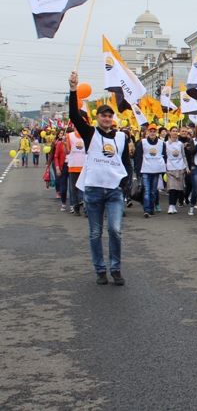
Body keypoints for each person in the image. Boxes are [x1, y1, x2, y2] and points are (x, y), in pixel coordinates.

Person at [68, 72, 132, 285]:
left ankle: (116, 269)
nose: (107, 119)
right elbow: (75, 116)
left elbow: (126, 163)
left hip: (114, 191)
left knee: (114, 230)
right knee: (95, 233)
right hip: (94, 189)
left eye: (110, 116)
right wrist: (73, 90)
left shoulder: (122, 137)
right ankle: (100, 270)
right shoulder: (90, 134)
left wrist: (126, 184)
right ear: (97, 118)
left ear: (113, 119)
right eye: (103, 115)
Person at [134, 123, 167, 218]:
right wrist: (138, 171)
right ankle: (147, 209)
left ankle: (151, 208)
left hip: (156, 171)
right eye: (150, 131)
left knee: (153, 191)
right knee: (147, 190)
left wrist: (162, 169)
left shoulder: (161, 143)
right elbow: (139, 157)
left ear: (156, 132)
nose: (152, 133)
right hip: (145, 170)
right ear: (147, 132)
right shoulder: (143, 142)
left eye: (154, 131)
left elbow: (164, 156)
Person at [165, 126, 188, 213]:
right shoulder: (166, 144)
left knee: (178, 188)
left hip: (180, 168)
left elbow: (183, 155)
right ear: (170, 132)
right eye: (173, 131)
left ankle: (174, 205)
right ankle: (171, 205)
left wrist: (186, 167)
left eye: (176, 131)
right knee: (172, 188)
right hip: (170, 168)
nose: (174, 133)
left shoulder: (180, 144)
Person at [65, 125, 86, 216]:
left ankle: (86, 209)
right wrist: (65, 144)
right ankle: (76, 207)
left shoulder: (87, 135)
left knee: (86, 189)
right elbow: (67, 151)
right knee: (74, 189)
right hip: (73, 165)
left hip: (85, 166)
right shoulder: (70, 136)